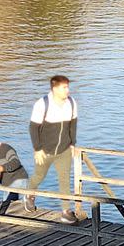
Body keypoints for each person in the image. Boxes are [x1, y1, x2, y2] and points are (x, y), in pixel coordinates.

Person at [25, 75, 78, 224]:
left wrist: (73, 143)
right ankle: (29, 194)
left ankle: (66, 211)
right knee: (39, 176)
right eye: (64, 87)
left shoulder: (72, 103)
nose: (67, 90)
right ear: (54, 89)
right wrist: (37, 149)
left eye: (68, 87)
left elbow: (73, 125)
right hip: (45, 149)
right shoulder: (42, 104)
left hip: (64, 149)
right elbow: (33, 127)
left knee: (64, 179)